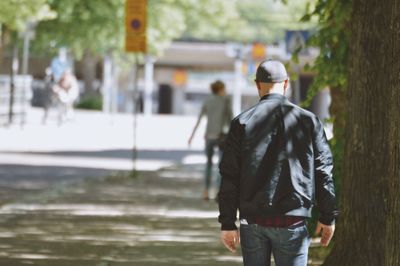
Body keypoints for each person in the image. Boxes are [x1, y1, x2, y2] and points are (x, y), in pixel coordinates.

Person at [218, 59, 339, 266]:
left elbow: (230, 176)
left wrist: (227, 223)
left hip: (253, 221)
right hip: (293, 220)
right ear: (286, 84)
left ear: (257, 85)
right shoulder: (308, 121)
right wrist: (328, 216)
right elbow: (323, 170)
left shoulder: (242, 122)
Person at [188, 80, 233, 200]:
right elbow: (231, 119)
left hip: (208, 137)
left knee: (208, 164)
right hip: (222, 137)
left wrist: (191, 136)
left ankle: (206, 192)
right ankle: (218, 191)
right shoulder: (226, 100)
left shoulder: (207, 101)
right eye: (224, 89)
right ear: (220, 89)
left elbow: (199, 119)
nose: (226, 91)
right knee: (220, 166)